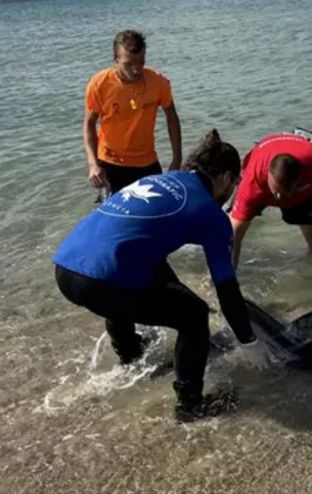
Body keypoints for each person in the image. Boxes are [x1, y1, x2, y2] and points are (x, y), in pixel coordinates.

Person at [54, 129, 267, 422]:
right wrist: (249, 342)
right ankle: (190, 405)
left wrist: (176, 291)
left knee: (130, 274)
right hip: (102, 280)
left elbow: (143, 253)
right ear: (225, 178)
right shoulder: (210, 214)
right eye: (235, 182)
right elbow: (226, 288)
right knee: (194, 315)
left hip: (66, 268)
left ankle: (130, 358)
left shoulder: (160, 180)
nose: (232, 190)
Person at [83, 30, 182, 195]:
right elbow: (89, 124)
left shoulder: (158, 83)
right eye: (128, 64)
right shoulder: (99, 84)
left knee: (156, 215)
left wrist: (176, 159)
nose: (136, 70)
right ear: (116, 60)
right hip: (110, 163)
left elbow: (172, 118)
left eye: (141, 62)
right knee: (115, 217)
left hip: (147, 162)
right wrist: (93, 164)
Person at [228, 131, 312, 267]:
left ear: (299, 180)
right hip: (258, 173)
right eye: (276, 190)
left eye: (285, 192)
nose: (278, 197)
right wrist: (224, 278)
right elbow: (234, 237)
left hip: (302, 184)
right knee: (233, 233)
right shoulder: (251, 183)